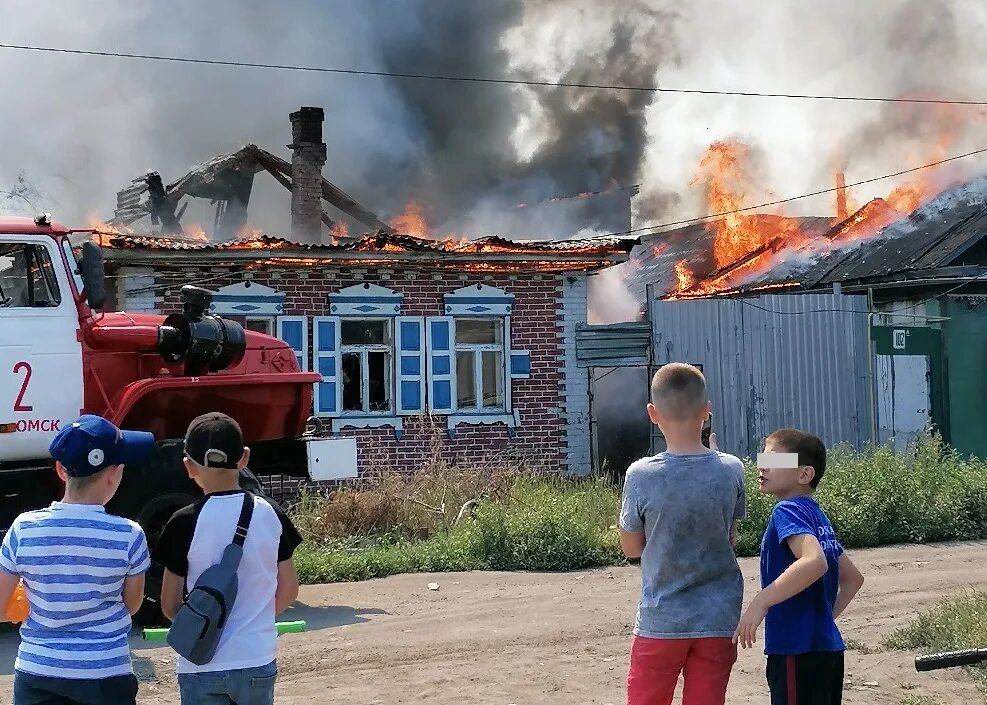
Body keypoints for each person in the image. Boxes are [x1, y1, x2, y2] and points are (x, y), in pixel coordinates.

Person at [0, 415, 156, 705]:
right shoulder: (129, 535)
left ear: (61, 469)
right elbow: (132, 606)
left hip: (38, 670)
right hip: (107, 672)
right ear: (115, 474)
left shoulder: (23, 529)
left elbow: (0, 607)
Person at [618, 363, 746, 705]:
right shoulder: (733, 469)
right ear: (707, 411)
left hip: (662, 619)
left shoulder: (640, 474)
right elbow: (729, 536)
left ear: (652, 413)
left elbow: (631, 547)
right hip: (719, 619)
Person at [153, 412, 302, 705]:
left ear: (188, 467)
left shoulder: (183, 523)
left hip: (200, 664)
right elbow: (289, 589)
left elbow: (170, 605)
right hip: (256, 658)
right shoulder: (270, 513)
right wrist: (254, 620)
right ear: (244, 458)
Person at [734, 428, 865, 705]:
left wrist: (761, 601)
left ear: (805, 474)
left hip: (796, 650)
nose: (762, 466)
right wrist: (823, 620)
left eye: (775, 461)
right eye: (762, 459)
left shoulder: (787, 510)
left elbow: (814, 562)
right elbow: (853, 579)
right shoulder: (816, 515)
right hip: (827, 649)